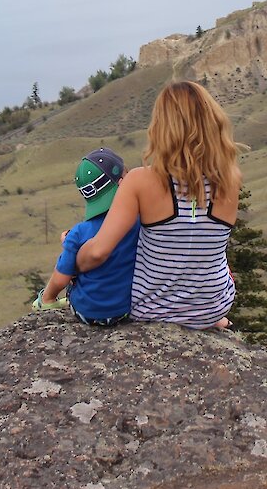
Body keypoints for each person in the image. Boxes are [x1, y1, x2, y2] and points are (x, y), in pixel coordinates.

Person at [76, 81, 241, 330]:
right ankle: (212, 319)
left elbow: (99, 252)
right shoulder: (230, 179)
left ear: (161, 128)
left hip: (153, 310)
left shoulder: (140, 181)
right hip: (212, 307)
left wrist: (73, 258)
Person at [35, 147, 139, 326]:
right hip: (126, 309)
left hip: (87, 312)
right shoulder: (137, 220)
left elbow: (61, 278)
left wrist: (48, 298)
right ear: (121, 183)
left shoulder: (78, 233)